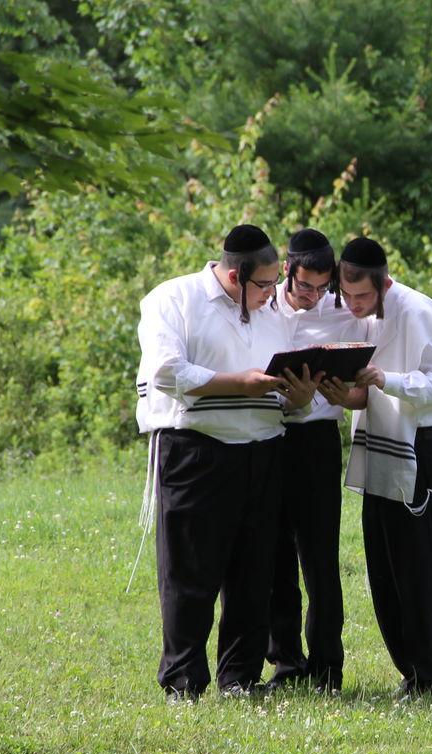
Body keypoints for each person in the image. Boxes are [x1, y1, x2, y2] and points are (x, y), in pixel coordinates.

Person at [134, 223, 319, 700]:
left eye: (276, 282)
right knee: (190, 571)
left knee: (253, 573)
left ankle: (238, 678)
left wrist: (300, 396)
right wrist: (239, 383)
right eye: (264, 284)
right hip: (196, 450)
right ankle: (183, 681)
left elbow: (288, 400)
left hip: (264, 450)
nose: (272, 293)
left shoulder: (272, 312)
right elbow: (166, 371)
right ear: (235, 277)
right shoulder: (173, 299)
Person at [322, 237, 432, 697]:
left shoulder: (417, 311)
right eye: (346, 296)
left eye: (363, 296)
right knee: (384, 567)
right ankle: (412, 672)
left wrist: (387, 379)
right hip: (382, 443)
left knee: (419, 568)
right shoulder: (367, 315)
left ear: (385, 282)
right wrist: (345, 394)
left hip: (425, 448)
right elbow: (371, 391)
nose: (353, 305)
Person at [266, 229, 372, 692]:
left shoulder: (341, 313)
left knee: (320, 559)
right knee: (273, 559)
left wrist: (346, 394)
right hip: (267, 439)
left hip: (316, 443)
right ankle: (286, 664)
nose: (313, 297)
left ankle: (328, 668)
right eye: (305, 286)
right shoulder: (261, 306)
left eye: (322, 288)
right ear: (288, 272)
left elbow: (365, 382)